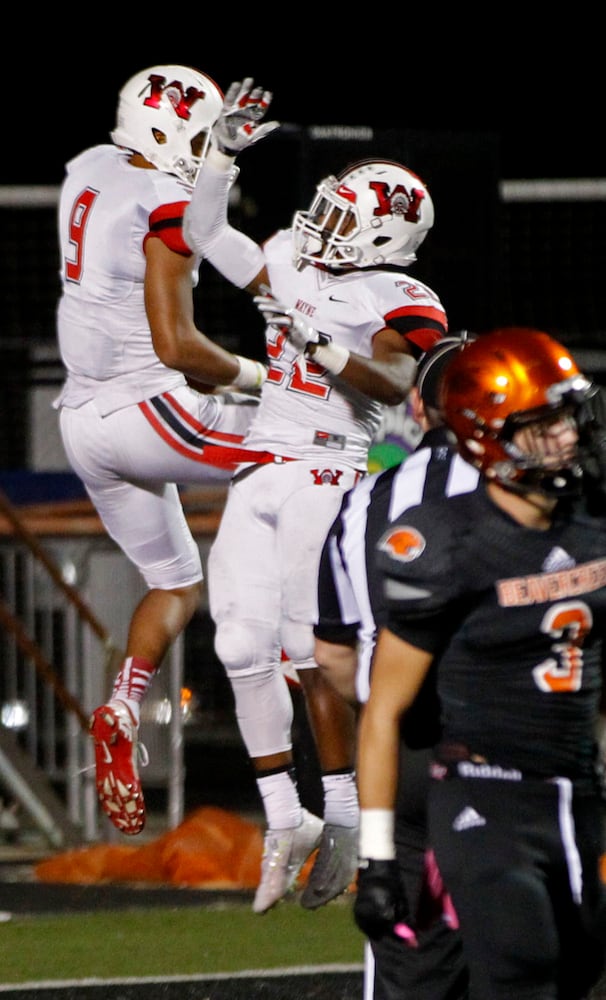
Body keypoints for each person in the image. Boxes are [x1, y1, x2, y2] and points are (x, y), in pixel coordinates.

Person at [183, 80, 448, 912]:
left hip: (331, 465)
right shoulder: (293, 255)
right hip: (262, 460)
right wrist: (220, 154)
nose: (321, 222)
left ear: (382, 234)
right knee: (236, 646)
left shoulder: (400, 296)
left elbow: (398, 379)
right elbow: (203, 234)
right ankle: (283, 814)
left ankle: (345, 810)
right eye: (326, 206)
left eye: (343, 214)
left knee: (313, 648)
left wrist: (319, 345)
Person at [54, 66, 279, 836]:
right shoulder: (167, 202)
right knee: (315, 442)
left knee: (174, 579)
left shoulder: (89, 165)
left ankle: (123, 702)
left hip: (81, 421)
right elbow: (178, 346)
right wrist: (260, 377)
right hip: (146, 409)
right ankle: (308, 635)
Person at [354, 328, 606, 999]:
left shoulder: (590, 523)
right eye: (542, 424)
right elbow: (385, 707)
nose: (567, 437)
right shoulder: (441, 542)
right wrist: (376, 856)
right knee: (522, 966)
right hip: (483, 792)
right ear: (488, 435)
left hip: (578, 792)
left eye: (566, 417)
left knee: (578, 972)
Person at [314, 335, 475, 998]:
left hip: (401, 751)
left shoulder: (365, 501)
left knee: (410, 959)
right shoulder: (527, 492)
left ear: (419, 404)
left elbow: (329, 653)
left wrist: (381, 705)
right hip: (513, 745)